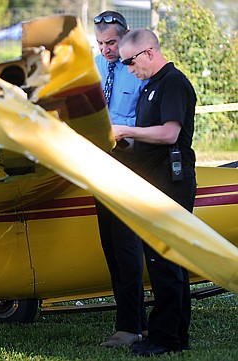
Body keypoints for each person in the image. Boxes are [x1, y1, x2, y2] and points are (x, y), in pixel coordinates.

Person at [114, 28, 197, 357]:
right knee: (164, 262)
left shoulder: (172, 83)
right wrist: (123, 141)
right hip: (153, 181)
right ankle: (174, 334)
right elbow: (148, 137)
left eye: (130, 62)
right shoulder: (150, 85)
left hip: (171, 183)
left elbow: (168, 134)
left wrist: (125, 129)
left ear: (148, 52)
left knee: (166, 261)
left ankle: (166, 339)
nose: (129, 70)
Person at [93, 10, 148, 348]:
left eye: (111, 42)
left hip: (130, 162)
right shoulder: (94, 65)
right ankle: (134, 322)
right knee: (111, 246)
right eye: (99, 43)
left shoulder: (139, 70)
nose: (105, 50)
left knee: (126, 246)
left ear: (126, 38)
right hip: (99, 163)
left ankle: (129, 328)